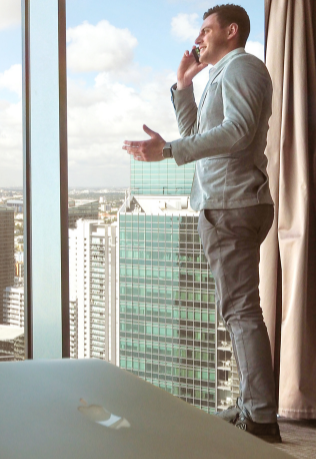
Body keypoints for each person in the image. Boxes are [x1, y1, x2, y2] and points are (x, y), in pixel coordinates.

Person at [121, 4, 280, 443]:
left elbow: (239, 131)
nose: (199, 38)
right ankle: (251, 404)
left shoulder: (243, 67)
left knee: (241, 310)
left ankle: (261, 417)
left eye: (206, 29)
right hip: (222, 202)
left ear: (232, 31)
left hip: (232, 203)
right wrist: (184, 84)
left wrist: (168, 150)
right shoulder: (219, 76)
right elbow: (198, 135)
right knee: (234, 309)